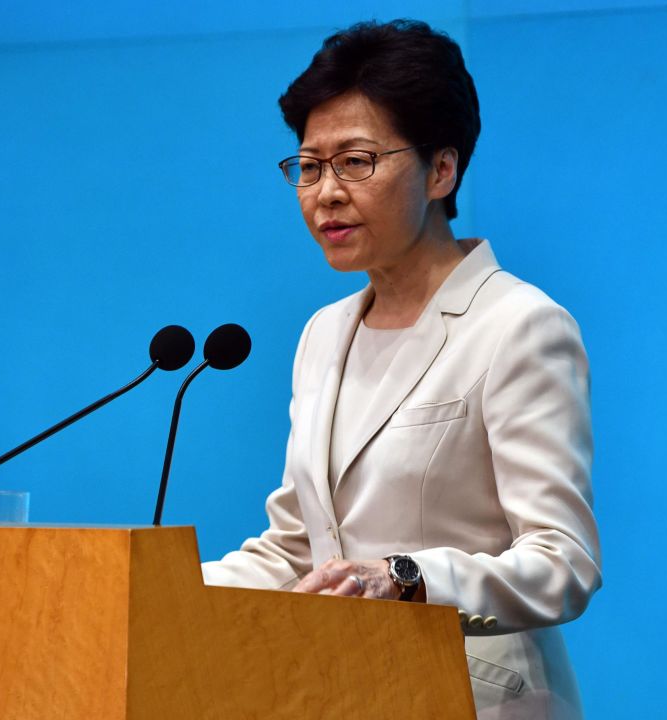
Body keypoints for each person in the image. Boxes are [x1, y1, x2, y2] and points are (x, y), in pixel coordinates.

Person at [201, 19, 602, 720]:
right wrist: (153, 590)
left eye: (355, 161)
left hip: (476, 699)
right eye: (308, 164)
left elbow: (562, 564)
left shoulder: (517, 326)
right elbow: (299, 547)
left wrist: (408, 577)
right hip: (341, 694)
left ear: (441, 170)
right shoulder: (324, 334)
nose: (324, 191)